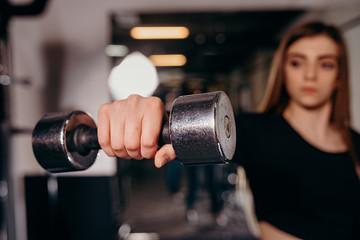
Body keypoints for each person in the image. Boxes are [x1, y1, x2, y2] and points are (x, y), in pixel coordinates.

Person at [97, 21, 360, 239]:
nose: (310, 75)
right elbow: (197, 130)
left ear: (339, 76)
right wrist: (147, 116)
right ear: (283, 71)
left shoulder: (356, 144)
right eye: (297, 63)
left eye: (325, 64)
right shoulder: (256, 131)